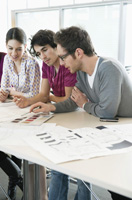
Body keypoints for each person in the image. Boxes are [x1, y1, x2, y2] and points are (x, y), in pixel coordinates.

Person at [30, 26, 132, 200]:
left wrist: (85, 105)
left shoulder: (109, 68)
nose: (61, 63)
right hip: (110, 129)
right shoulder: (82, 74)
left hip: (125, 132)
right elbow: (73, 101)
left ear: (78, 53)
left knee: (118, 189)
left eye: (63, 57)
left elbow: (107, 111)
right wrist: (51, 107)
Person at [13, 29, 77, 200]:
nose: (43, 56)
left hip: (74, 115)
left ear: (56, 46)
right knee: (52, 160)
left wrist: (49, 98)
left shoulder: (67, 65)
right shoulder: (46, 65)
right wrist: (27, 101)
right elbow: (43, 94)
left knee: (59, 164)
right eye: (39, 52)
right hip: (58, 114)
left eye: (45, 49)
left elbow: (68, 100)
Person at [0, 27, 40, 200]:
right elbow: (4, 87)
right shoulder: (7, 61)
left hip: (29, 111)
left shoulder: (32, 63)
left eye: (18, 48)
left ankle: (14, 182)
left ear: (24, 46)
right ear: (6, 46)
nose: (13, 53)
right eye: (10, 48)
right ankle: (16, 178)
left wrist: (12, 93)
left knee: (16, 147)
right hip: (11, 110)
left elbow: (36, 94)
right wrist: (4, 93)